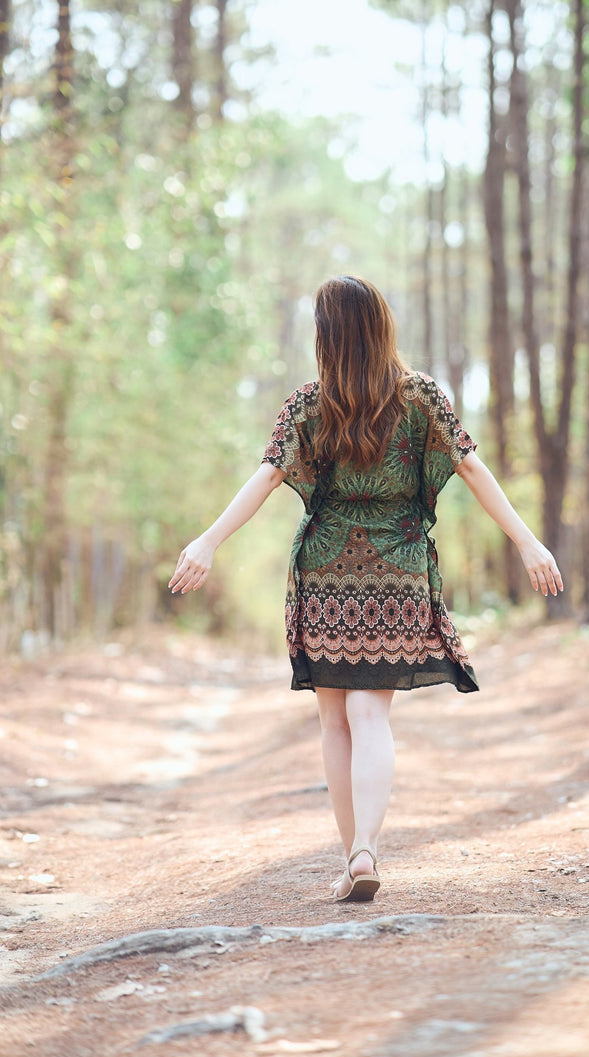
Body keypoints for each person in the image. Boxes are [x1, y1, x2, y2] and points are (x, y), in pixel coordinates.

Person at [169, 275, 563, 903]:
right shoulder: (419, 396)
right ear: (382, 327)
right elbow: (470, 466)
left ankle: (353, 853)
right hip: (398, 574)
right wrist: (527, 541)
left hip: (326, 574)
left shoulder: (308, 403)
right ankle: (364, 850)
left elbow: (266, 477)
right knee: (370, 713)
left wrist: (208, 541)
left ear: (325, 336)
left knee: (335, 722)